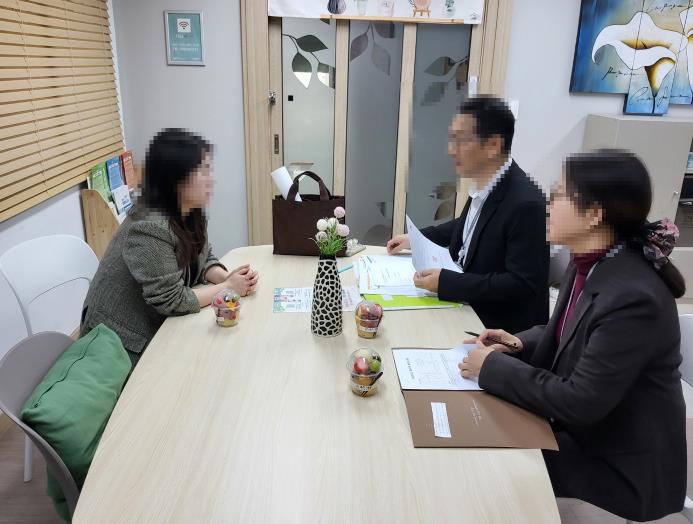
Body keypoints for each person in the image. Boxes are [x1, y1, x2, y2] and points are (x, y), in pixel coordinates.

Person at [459, 150, 687, 522]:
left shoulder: (632, 296)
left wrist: (492, 368)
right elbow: (568, 331)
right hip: (588, 433)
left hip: (620, 465)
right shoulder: (592, 262)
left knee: (487, 462)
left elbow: (579, 401)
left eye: (560, 194)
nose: (548, 204)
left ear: (594, 214)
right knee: (481, 437)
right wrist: (516, 342)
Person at [81, 129, 258, 365]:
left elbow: (203, 257)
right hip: (117, 342)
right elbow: (172, 300)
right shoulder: (149, 227)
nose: (212, 179)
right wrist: (227, 287)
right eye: (204, 171)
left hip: (159, 321)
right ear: (176, 178)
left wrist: (228, 278)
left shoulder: (191, 211)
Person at [387, 96, 549, 333]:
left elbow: (521, 284)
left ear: (493, 145)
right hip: (469, 307)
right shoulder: (488, 182)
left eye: (461, 140)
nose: (451, 150)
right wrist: (417, 238)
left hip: (497, 330)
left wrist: (447, 282)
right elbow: (469, 226)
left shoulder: (526, 203)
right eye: (451, 139)